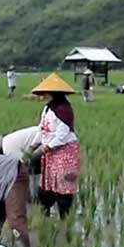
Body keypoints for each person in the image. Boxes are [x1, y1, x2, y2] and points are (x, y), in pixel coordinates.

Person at [28, 73, 80, 218]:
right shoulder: (47, 109)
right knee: (47, 185)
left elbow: (63, 134)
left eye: (46, 93)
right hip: (50, 153)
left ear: (53, 93)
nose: (44, 96)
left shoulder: (64, 109)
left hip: (64, 152)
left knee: (64, 186)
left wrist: (47, 147)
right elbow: (42, 129)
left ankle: (65, 217)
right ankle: (45, 215)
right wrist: (34, 145)